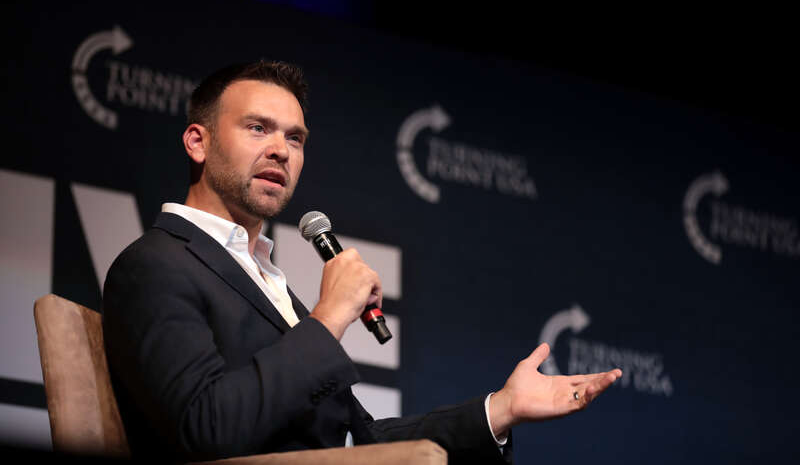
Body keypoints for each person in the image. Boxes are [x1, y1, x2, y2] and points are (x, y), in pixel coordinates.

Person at [102, 60, 622, 464]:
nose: (281, 151)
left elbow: (361, 442)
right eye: (258, 128)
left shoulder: (263, 278)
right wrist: (328, 318)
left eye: (295, 137)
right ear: (199, 141)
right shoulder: (156, 264)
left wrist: (501, 410)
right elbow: (204, 428)